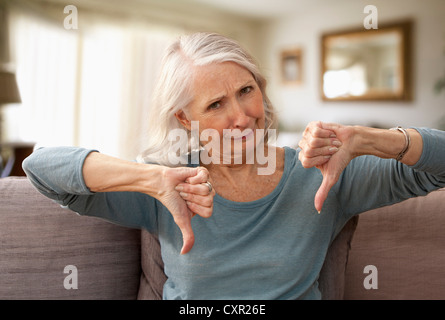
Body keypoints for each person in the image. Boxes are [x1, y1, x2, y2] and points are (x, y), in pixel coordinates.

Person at [22, 32, 445, 300]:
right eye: (216, 104)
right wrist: (152, 178)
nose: (242, 116)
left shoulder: (321, 172)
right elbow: (43, 169)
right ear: (185, 120)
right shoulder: (169, 186)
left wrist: (371, 138)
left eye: (246, 90)